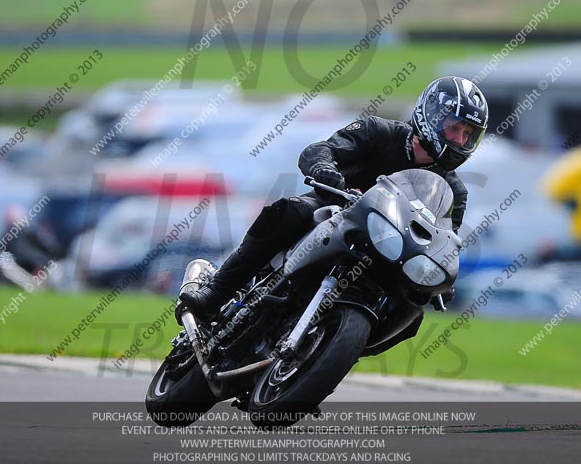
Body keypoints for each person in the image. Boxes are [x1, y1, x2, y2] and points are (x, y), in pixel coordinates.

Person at [181, 76, 489, 325]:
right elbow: (321, 149)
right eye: (454, 128)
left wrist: (442, 276)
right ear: (431, 116)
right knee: (293, 210)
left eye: (468, 134)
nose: (460, 141)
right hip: (334, 214)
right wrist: (324, 168)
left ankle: (322, 363)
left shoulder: (453, 192)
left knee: (412, 309)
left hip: (388, 253)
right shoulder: (378, 131)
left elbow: (445, 240)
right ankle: (216, 291)